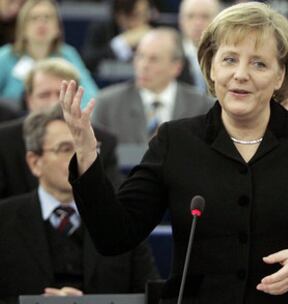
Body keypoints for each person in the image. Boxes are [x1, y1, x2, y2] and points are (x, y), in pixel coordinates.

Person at [61, 2, 288, 303]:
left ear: (280, 76)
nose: (241, 74)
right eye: (230, 59)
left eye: (259, 63)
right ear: (211, 66)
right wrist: (87, 154)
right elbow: (114, 236)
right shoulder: (175, 140)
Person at [0, 105, 160, 304]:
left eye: (87, 149)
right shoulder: (4, 221)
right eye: (66, 149)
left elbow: (150, 297)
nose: (79, 158)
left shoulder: (122, 218)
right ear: (35, 162)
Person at [0, 57, 120, 199]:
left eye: (62, 94)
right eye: (44, 95)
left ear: (77, 97)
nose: (54, 103)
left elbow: (110, 201)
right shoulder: (4, 140)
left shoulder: (103, 140)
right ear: (28, 99)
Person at [92, 27, 212, 145]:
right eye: (140, 56)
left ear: (176, 67)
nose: (143, 65)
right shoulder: (107, 104)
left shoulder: (202, 107)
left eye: (154, 59)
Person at [0, 0, 97, 109]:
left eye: (47, 17)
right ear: (22, 28)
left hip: (60, 120)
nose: (41, 23)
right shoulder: (5, 56)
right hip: (13, 122)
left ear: (58, 28)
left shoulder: (68, 55)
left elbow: (90, 96)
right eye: (34, 18)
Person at [82, 0, 152, 74]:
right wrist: (120, 43)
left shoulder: (155, 29)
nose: (144, 20)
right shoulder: (103, 28)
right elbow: (87, 61)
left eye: (146, 14)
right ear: (120, 16)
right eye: (137, 15)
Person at [178, 0, 221, 92]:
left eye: (205, 17)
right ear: (181, 21)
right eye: (190, 16)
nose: (197, 23)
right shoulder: (171, 53)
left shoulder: (225, 54)